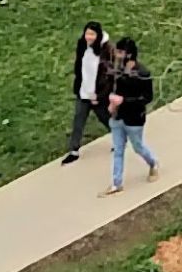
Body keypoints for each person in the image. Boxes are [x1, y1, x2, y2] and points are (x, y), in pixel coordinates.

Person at [104, 40, 158, 191]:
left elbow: (147, 98)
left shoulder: (142, 74)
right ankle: (116, 183)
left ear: (129, 54)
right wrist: (111, 102)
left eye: (120, 52)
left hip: (134, 118)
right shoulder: (118, 71)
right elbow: (114, 88)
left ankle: (153, 163)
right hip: (117, 116)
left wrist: (124, 101)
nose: (117, 55)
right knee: (118, 150)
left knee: (138, 147)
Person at [61, 22, 109, 166]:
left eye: (92, 34)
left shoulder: (106, 51)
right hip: (83, 92)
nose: (88, 37)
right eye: (87, 33)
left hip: (97, 95)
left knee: (105, 118)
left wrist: (98, 95)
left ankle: (120, 137)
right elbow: (79, 67)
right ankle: (74, 150)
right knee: (78, 120)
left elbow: (107, 76)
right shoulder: (82, 45)